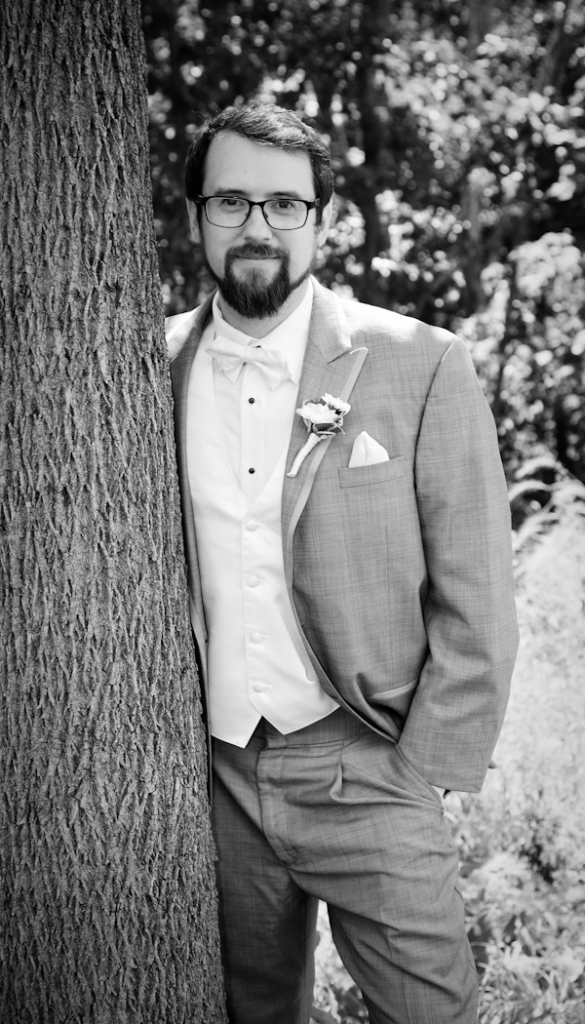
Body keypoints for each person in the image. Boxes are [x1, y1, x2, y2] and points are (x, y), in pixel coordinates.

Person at [166, 103, 519, 1024]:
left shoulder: (420, 362)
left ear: (321, 219)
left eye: (284, 204)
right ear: (196, 215)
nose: (257, 227)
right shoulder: (147, 368)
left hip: (367, 764)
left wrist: (421, 768)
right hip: (211, 779)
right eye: (230, 201)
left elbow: (477, 591)